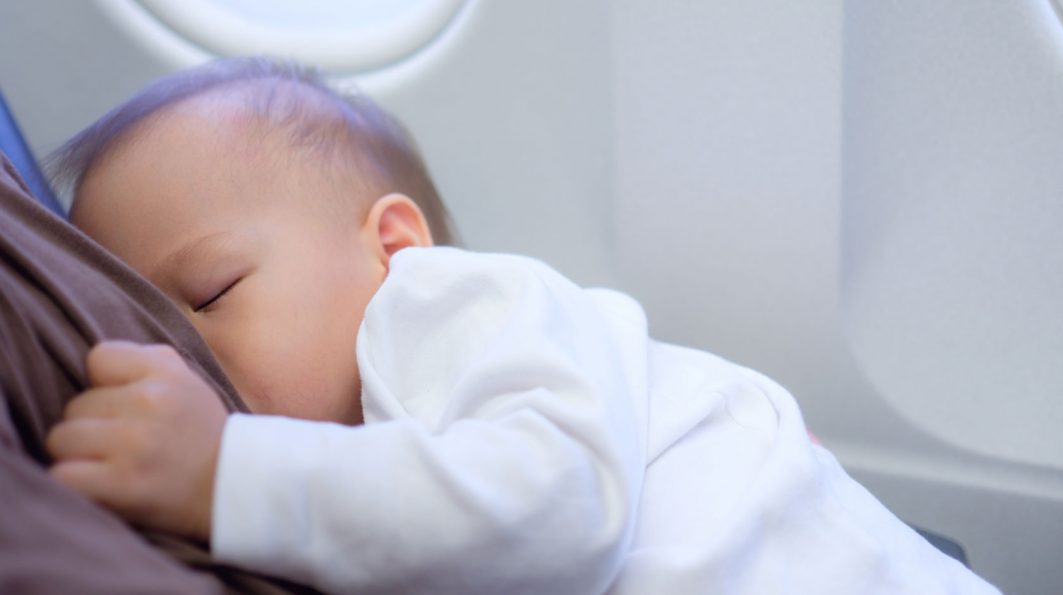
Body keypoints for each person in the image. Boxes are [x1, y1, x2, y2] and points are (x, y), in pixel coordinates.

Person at [44, 57, 999, 594]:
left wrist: (222, 471)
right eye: (151, 338)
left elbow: (559, 508)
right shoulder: (365, 471)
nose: (186, 367)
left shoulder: (443, 307)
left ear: (392, 245)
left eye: (208, 294)